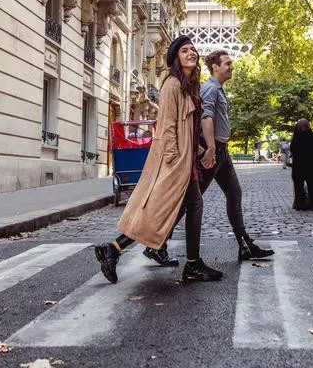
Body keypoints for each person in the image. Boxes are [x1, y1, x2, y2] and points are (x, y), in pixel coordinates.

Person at [94, 35, 222, 284]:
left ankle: (116, 249)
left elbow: (187, 129)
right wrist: (175, 158)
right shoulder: (173, 84)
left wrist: (198, 152)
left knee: (175, 209)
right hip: (174, 161)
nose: (191, 53)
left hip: (185, 160)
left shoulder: (187, 86)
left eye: (193, 50)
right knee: (168, 209)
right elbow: (167, 126)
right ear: (176, 57)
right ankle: (190, 264)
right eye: (185, 50)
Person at [144, 50, 274, 264]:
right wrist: (211, 148)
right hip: (211, 151)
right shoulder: (210, 89)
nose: (231, 67)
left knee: (234, 193)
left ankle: (244, 244)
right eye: (228, 63)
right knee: (191, 202)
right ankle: (157, 243)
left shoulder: (218, 90)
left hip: (221, 151)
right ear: (215, 67)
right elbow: (205, 116)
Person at [290, 119, 313, 211]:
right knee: (312, 186)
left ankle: (300, 204)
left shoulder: (296, 138)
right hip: (311, 165)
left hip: (298, 165)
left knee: (298, 186)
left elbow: (293, 151)